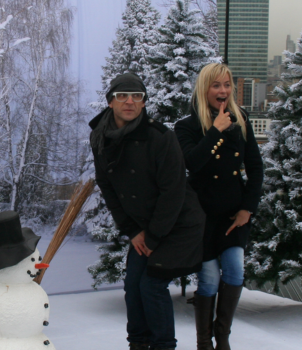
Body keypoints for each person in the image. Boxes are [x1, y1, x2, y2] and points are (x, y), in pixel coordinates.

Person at [89, 73, 205, 350]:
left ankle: (164, 346)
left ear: (143, 103)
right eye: (122, 96)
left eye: (136, 96)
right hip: (144, 227)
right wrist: (132, 231)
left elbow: (173, 191)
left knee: (151, 287)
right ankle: (139, 344)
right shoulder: (100, 137)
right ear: (110, 102)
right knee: (133, 287)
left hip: (178, 224)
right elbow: (107, 186)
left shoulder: (160, 136)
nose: (129, 101)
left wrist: (152, 237)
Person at [174, 63, 264, 350]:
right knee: (210, 278)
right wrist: (215, 130)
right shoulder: (186, 126)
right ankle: (204, 342)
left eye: (227, 85)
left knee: (235, 269)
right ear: (205, 89)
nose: (223, 91)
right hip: (202, 215)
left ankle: (222, 338)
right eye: (216, 85)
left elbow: (256, 168)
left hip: (234, 212)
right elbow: (192, 163)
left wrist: (247, 209)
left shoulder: (242, 119)